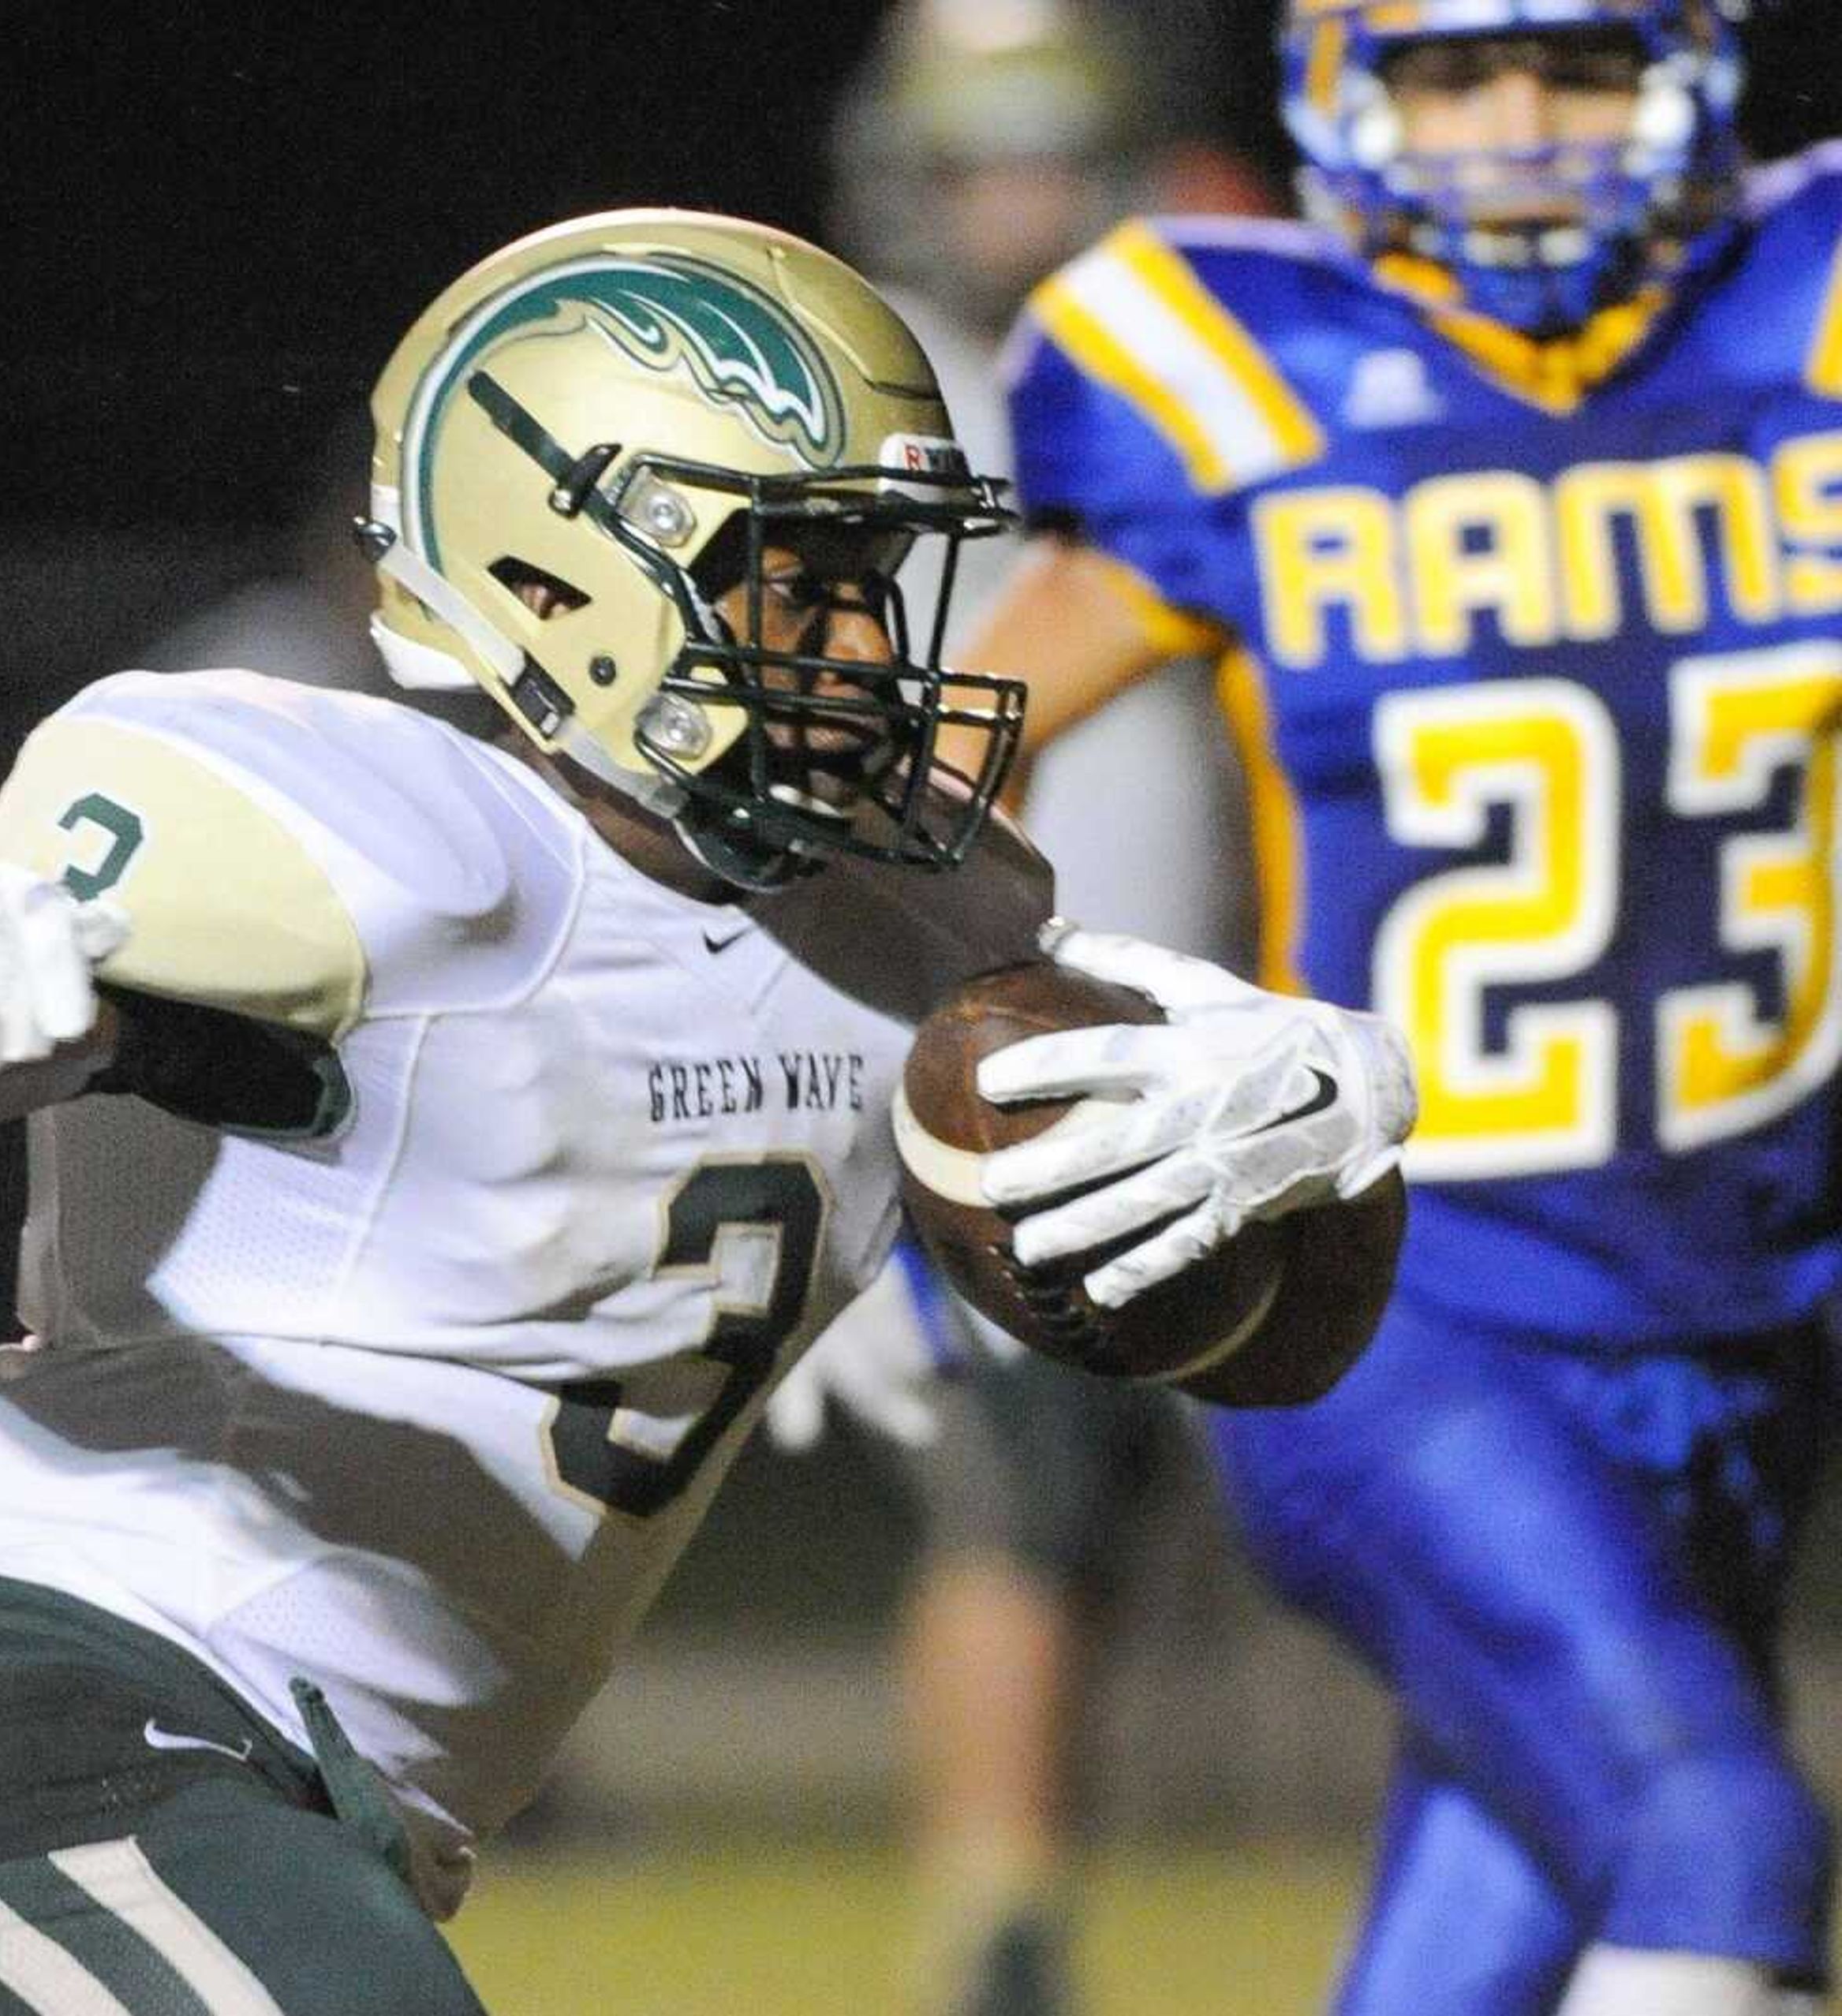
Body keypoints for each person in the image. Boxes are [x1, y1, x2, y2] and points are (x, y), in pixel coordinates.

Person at [0, 210, 1415, 2016]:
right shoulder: (370, 838)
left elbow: (1281, 1351)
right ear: (545, 581)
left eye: (879, 576)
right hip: (67, 1720)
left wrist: (1310, 1150)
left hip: (332, 1828)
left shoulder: (932, 920)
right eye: (794, 573)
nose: (862, 646)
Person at [972, 2, 1837, 2009]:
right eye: (1455, 76)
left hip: (1743, 1305)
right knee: (1719, 1840)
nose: (1520, 126)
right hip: (1386, 1301)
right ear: (1350, 97)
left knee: (1518, 1896)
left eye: (1581, 67)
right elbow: (947, 772)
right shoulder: (1233, 371)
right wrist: (882, 1118)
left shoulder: (1807, 321)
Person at [762, 7, 1273, 2009]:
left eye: (1058, 155)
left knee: (1141, 1504)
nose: (1025, 201)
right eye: (986, 160)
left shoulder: (1166, 354)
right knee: (1019, 1502)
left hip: (1194, 1016)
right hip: (959, 1026)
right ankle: (997, 1932)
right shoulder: (850, 381)